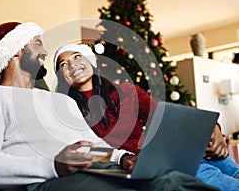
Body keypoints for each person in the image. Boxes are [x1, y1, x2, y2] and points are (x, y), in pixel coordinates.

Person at [0, 22, 220, 191]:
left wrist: (123, 158)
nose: (44, 52)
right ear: (15, 50)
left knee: (171, 181)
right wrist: (54, 166)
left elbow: (90, 142)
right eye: (37, 43)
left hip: (95, 168)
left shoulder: (61, 101)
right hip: (47, 180)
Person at [54, 43, 239, 191]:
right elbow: (91, 149)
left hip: (161, 154)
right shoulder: (69, 110)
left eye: (77, 56)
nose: (72, 64)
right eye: (64, 64)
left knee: (212, 152)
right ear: (62, 77)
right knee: (201, 171)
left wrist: (214, 130)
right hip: (135, 166)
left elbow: (168, 118)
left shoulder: (126, 91)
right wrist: (122, 159)